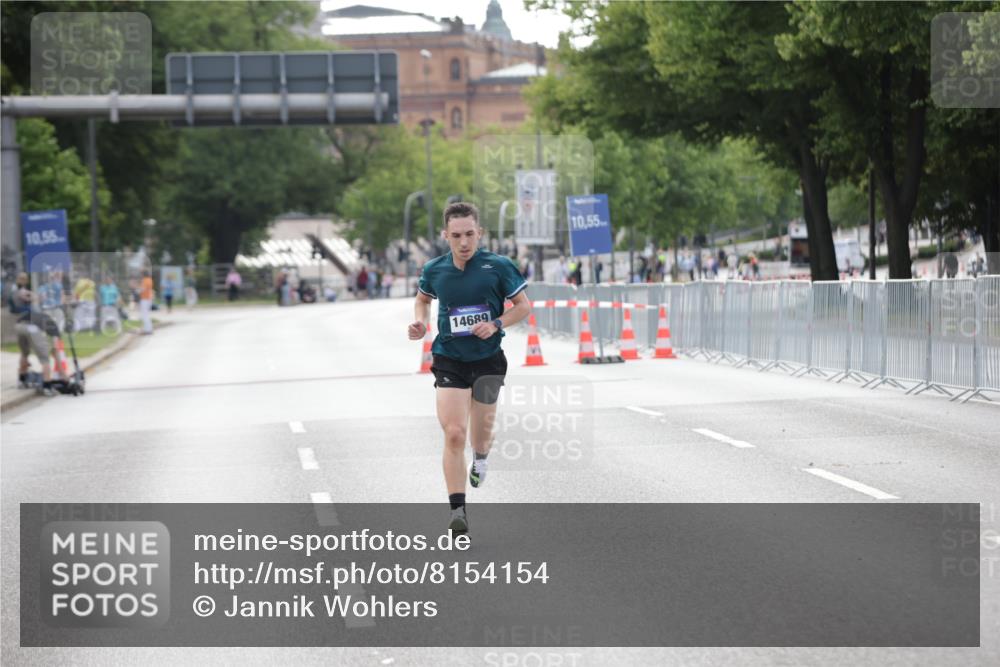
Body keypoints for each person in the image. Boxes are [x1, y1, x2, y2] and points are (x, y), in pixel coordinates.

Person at [408, 202, 531, 536]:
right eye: (457, 236)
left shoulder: (498, 266)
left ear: (480, 233)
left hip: (488, 359)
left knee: (480, 437)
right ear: (446, 235)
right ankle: (457, 512)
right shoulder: (435, 269)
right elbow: (423, 299)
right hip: (449, 358)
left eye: (470, 234)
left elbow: (523, 306)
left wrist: (496, 323)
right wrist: (420, 323)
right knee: (454, 433)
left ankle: (480, 458)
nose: (464, 242)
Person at [8, 273, 59, 396]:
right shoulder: (22, 291)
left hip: (19, 325)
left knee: (24, 353)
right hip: (30, 325)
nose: (23, 281)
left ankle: (22, 379)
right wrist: (34, 297)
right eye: (22, 279)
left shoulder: (13, 292)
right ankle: (47, 386)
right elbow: (26, 297)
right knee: (44, 357)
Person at [139, 270, 154, 334]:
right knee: (146, 314)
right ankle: (148, 329)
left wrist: (137, 290)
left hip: (145, 299)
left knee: (144, 315)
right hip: (149, 298)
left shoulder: (145, 280)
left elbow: (142, 289)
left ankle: (147, 330)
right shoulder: (150, 280)